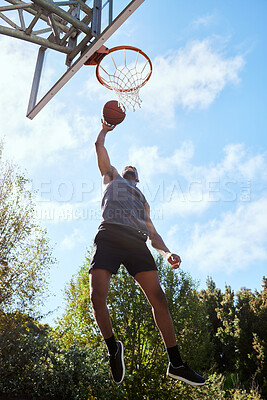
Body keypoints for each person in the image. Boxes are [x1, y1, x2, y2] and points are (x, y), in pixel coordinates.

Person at [89, 120, 206, 387]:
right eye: (127, 168)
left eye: (134, 171)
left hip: (136, 242)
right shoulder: (111, 177)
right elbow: (98, 146)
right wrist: (105, 130)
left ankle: (176, 362)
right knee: (97, 297)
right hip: (109, 234)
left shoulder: (142, 200)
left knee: (159, 299)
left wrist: (166, 254)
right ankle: (112, 348)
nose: (130, 170)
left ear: (138, 179)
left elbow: (153, 234)